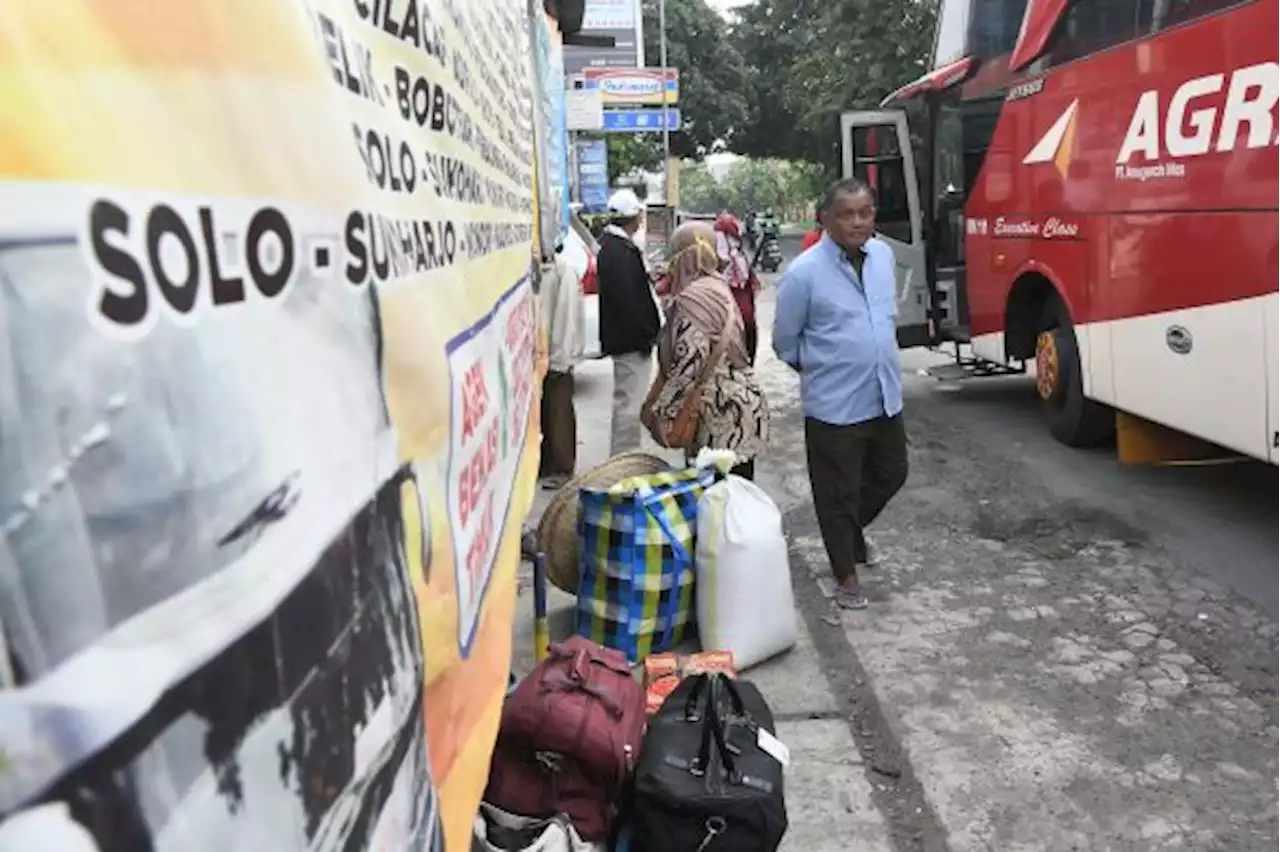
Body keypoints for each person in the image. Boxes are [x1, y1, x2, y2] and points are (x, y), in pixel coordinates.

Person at [772, 178, 908, 611]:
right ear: (825, 218)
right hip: (834, 404)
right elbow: (785, 341)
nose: (856, 222)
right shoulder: (804, 273)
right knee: (837, 493)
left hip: (883, 394)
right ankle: (845, 573)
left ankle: (847, 535)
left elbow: (885, 317)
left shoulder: (884, 257)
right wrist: (823, 370)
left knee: (892, 472)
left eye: (864, 212)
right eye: (846, 214)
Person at [648, 221, 768, 479]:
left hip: (719, 416)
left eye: (673, 256)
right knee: (736, 497)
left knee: (716, 503)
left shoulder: (692, 297)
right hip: (742, 407)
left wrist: (662, 411)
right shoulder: (718, 287)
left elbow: (691, 360)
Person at [598, 188, 661, 455]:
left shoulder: (615, 247)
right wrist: (649, 333)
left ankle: (624, 459)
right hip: (630, 341)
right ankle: (624, 463)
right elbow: (628, 301)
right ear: (635, 217)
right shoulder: (619, 251)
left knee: (629, 403)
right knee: (629, 407)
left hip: (627, 339)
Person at [539, 240, 585, 489]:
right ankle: (547, 462)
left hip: (556, 355)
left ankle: (561, 467)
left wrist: (560, 358)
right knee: (543, 414)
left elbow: (566, 317)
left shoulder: (562, 271)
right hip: (538, 354)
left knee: (558, 412)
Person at [713, 212, 761, 365]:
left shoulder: (738, 254)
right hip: (726, 295)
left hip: (740, 296)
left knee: (747, 324)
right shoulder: (720, 249)